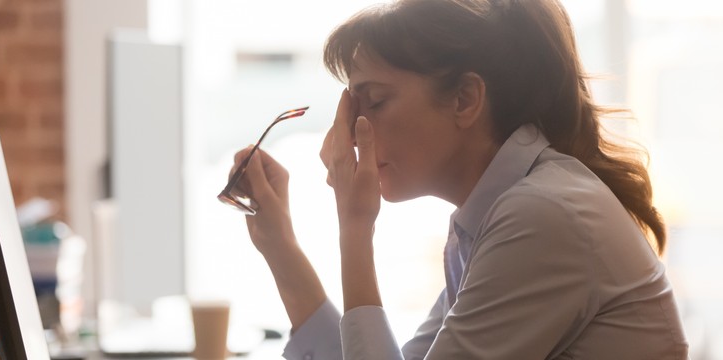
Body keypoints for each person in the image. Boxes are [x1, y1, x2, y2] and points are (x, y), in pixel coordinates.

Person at [226, 0, 689, 358]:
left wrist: (355, 226)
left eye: (374, 102)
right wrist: (280, 246)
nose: (345, 132)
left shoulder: (542, 215)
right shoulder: (495, 216)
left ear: (465, 99)